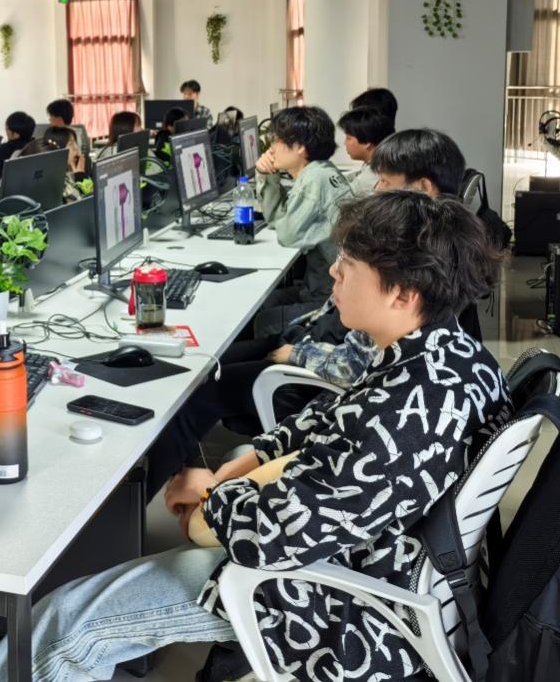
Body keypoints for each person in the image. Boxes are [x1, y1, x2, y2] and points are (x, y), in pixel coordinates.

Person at [0, 191, 511, 682]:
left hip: (338, 604)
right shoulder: (446, 356)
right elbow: (335, 416)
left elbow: (269, 538)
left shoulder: (406, 415)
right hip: (371, 556)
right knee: (231, 457)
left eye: (349, 266)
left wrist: (211, 493)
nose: (334, 272)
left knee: (66, 621)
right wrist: (256, 455)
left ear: (402, 294)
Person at [145, 127, 474, 500]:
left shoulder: (397, 405)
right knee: (210, 364)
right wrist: (250, 462)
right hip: (321, 352)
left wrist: (211, 498)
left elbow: (295, 516)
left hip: (316, 375)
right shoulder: (434, 294)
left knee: (199, 384)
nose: (376, 188)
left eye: (385, 180)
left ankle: (150, 499)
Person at [253, 106, 353, 327]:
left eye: (276, 140)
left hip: (331, 302)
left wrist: (266, 176)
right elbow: (277, 219)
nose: (271, 148)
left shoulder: (314, 180)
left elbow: (288, 236)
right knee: (263, 301)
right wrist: (268, 175)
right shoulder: (320, 171)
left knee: (263, 319)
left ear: (299, 147)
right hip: (320, 288)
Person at [337, 106, 395, 195]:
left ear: (367, 142)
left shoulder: (373, 174)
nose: (345, 143)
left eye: (348, 138)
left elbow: (341, 197)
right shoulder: (380, 164)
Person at [42, 126, 91, 200]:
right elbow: (79, 200)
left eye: (75, 143)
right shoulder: (58, 181)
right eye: (71, 144)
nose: (76, 148)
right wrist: (80, 177)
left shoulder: (77, 170)